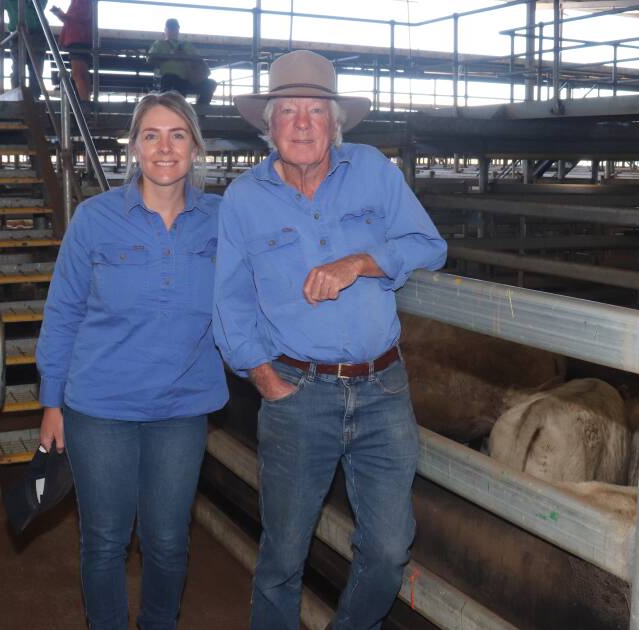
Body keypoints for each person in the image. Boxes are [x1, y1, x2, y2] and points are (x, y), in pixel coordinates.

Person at [214, 50, 447, 630]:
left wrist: (367, 260)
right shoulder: (244, 199)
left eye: (314, 110)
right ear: (267, 126)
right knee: (283, 556)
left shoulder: (372, 169)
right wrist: (267, 381)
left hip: (383, 389)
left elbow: (429, 244)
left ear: (334, 121)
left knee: (390, 548)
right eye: (286, 110)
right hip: (297, 393)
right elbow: (230, 302)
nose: (300, 122)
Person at [36, 91, 227, 630]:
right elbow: (63, 311)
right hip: (99, 407)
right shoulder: (95, 219)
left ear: (195, 149)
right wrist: (52, 402)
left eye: (177, 135)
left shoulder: (224, 219)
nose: (164, 147)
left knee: (167, 540)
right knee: (105, 541)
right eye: (151, 135)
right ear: (134, 149)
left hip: (183, 406)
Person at [148, 18, 216, 106]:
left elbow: (198, 61)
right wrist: (168, 56)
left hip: (189, 79)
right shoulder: (159, 44)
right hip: (170, 80)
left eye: (175, 28)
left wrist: (185, 57)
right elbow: (150, 60)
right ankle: (172, 107)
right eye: (170, 28)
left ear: (178, 29)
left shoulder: (187, 45)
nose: (173, 30)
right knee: (171, 78)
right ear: (165, 30)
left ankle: (201, 110)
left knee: (210, 83)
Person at [4, 0, 48, 97]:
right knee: (23, 70)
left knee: (34, 70)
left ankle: (32, 98)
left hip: (35, 33)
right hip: (21, 34)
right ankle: (20, 97)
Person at [50, 0, 91, 100]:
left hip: (77, 38)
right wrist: (62, 15)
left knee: (77, 73)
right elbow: (77, 18)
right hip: (81, 38)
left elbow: (81, 16)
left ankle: (85, 101)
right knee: (81, 72)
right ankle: (86, 100)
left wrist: (63, 15)